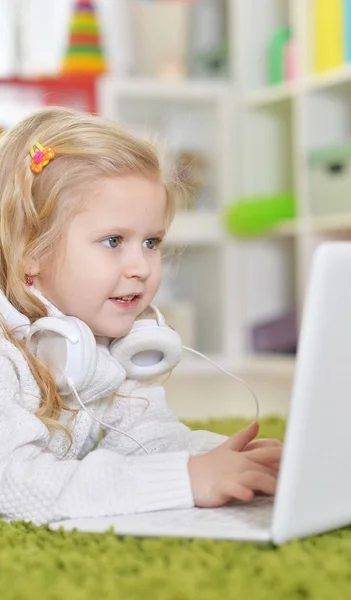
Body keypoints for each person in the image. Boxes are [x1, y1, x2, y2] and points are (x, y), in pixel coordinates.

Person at [0, 107, 282, 526]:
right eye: (113, 241)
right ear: (31, 254)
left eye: (151, 242)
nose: (142, 267)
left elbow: (147, 438)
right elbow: (13, 485)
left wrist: (222, 458)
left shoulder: (112, 340)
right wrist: (185, 480)